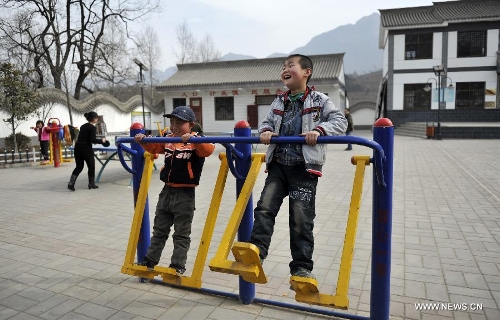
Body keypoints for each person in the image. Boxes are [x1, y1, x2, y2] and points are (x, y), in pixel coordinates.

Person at [246, 54, 347, 281]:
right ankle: (257, 252)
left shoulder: (320, 100)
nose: (285, 69)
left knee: (301, 218)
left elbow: (340, 121)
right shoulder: (279, 101)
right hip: (279, 165)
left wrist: (319, 131)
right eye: (283, 66)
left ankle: (301, 267)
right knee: (264, 208)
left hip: (304, 168)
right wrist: (265, 132)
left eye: (290, 65)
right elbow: (266, 123)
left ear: (306, 72)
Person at [134, 106, 215, 275]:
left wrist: (193, 140)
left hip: (185, 194)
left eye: (180, 122)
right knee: (159, 229)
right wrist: (143, 140)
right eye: (172, 122)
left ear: (191, 124)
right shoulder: (168, 139)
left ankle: (177, 264)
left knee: (181, 233)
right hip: (167, 191)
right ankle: (150, 260)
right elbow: (154, 148)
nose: (174, 126)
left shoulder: (197, 140)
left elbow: (208, 150)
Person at [67, 111, 107, 191]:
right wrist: (102, 141)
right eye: (96, 118)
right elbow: (93, 140)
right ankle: (91, 184)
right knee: (91, 166)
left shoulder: (83, 126)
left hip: (77, 148)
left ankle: (71, 183)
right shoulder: (92, 127)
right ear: (95, 119)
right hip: (86, 149)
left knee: (79, 167)